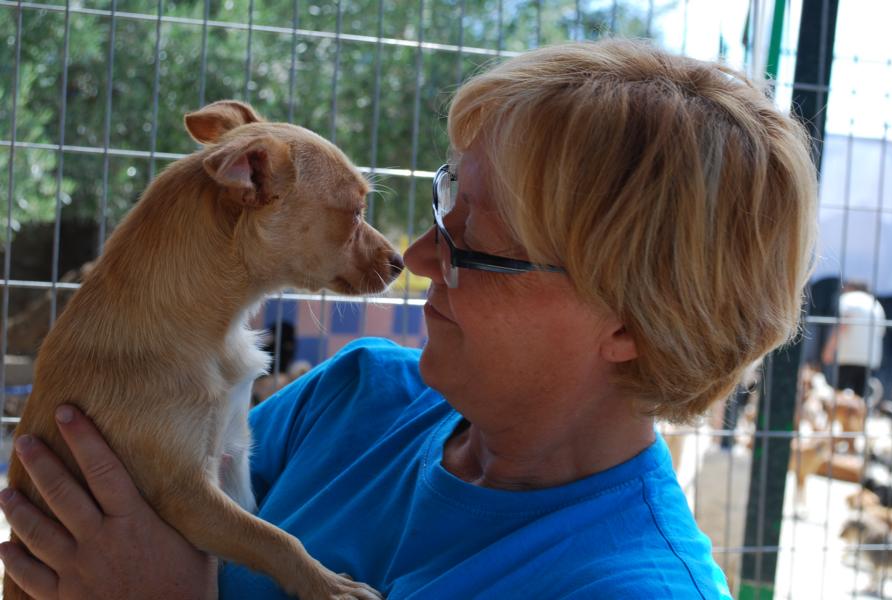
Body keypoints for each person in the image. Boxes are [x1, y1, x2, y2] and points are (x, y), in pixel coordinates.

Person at [0, 39, 817, 599]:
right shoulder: (355, 399)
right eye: (446, 199)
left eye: (482, 241)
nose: (422, 253)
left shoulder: (629, 586)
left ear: (630, 323)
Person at [822, 281, 887, 398]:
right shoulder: (876, 305)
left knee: (839, 396)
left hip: (847, 357)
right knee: (861, 398)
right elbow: (881, 332)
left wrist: (829, 350)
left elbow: (842, 326)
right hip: (869, 358)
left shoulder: (847, 299)